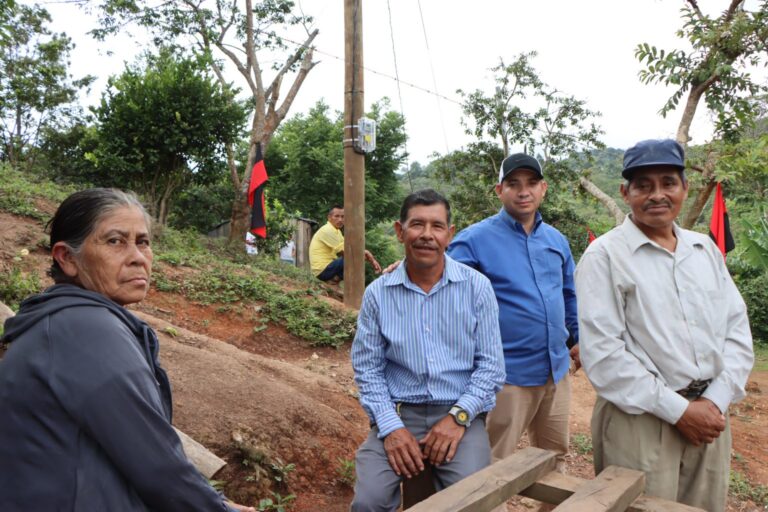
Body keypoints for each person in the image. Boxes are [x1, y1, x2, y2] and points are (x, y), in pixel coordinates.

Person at [0, 188, 254, 512]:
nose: (137, 257)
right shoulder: (84, 329)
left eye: (143, 242)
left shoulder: (65, 322)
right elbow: (156, 464)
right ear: (67, 258)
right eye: (115, 241)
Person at [575, 139, 754, 511]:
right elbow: (605, 356)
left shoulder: (704, 250)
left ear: (684, 189)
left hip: (709, 416)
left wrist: (714, 401)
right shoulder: (604, 256)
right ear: (625, 192)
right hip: (640, 419)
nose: (657, 194)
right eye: (644, 185)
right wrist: (680, 411)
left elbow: (737, 332)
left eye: (668, 182)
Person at [350, 189, 505, 511]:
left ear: (449, 235)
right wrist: (391, 429)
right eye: (417, 224)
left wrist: (457, 418)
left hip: (460, 413)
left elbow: (491, 367)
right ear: (399, 230)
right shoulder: (378, 294)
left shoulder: (477, 288)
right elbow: (368, 369)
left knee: (476, 502)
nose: (426, 235)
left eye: (436, 226)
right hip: (398, 413)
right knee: (369, 502)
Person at [448, 153, 579, 470]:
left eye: (532, 183)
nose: (524, 191)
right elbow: (443, 288)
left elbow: (568, 294)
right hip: (506, 375)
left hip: (556, 370)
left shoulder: (556, 241)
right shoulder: (474, 240)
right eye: (514, 184)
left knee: (554, 457)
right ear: (499, 190)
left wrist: (577, 338)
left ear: (543, 188)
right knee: (491, 462)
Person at [309, 205, 381, 282]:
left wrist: (367, 256)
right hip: (322, 271)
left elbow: (349, 247)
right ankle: (334, 281)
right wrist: (369, 257)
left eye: (343, 217)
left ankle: (334, 281)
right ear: (329, 217)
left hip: (328, 267)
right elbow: (347, 252)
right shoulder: (327, 230)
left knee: (357, 256)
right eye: (336, 216)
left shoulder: (337, 231)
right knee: (354, 257)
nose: (340, 219)